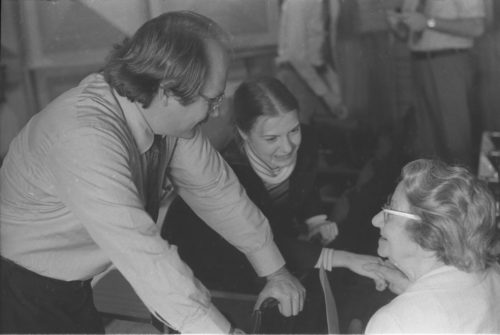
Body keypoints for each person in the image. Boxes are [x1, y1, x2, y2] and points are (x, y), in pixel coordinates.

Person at [0, 11, 306, 334]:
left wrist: (276, 272)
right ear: (168, 91)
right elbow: (144, 255)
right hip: (20, 289)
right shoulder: (84, 136)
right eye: (212, 101)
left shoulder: (161, 116)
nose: (216, 112)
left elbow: (217, 190)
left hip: (69, 283)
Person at [163, 77, 385, 333]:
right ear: (244, 133)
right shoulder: (231, 170)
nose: (288, 146)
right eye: (271, 138)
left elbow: (306, 185)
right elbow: (265, 241)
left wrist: (316, 220)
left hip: (274, 241)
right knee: (288, 297)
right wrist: (346, 259)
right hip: (212, 255)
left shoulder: (307, 141)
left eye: (293, 130)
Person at [364, 159, 500, 333]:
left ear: (429, 232)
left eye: (390, 211)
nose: (375, 221)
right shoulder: (494, 274)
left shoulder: (395, 323)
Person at [386, 0, 486, 168]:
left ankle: (461, 191)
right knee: (427, 143)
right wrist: (396, 25)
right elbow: (408, 33)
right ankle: (435, 192)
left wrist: (429, 22)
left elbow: (477, 27)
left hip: (448, 62)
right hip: (419, 63)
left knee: (456, 141)